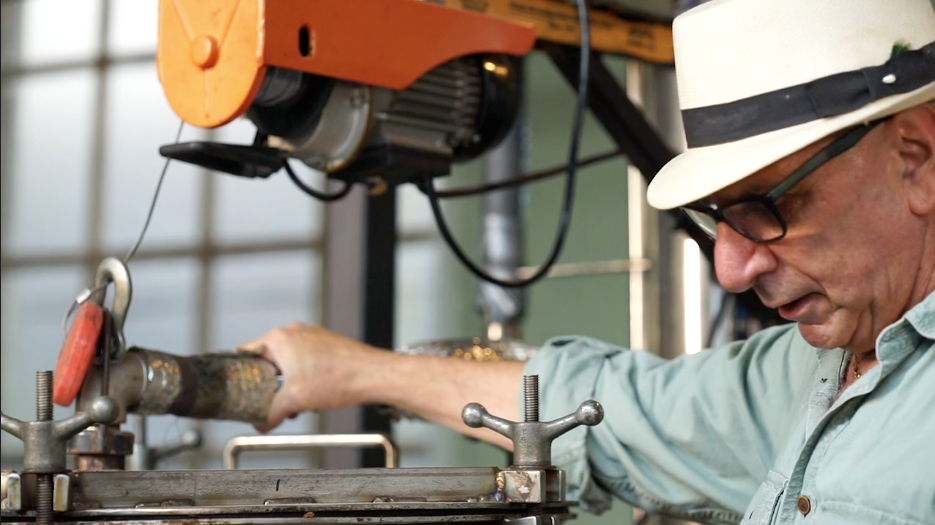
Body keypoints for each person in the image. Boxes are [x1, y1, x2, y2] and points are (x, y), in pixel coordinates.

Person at [238, 0, 935, 523]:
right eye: (717, 217)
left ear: (916, 159)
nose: (729, 268)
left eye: (765, 203)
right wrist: (346, 371)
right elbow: (613, 408)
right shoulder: (816, 366)